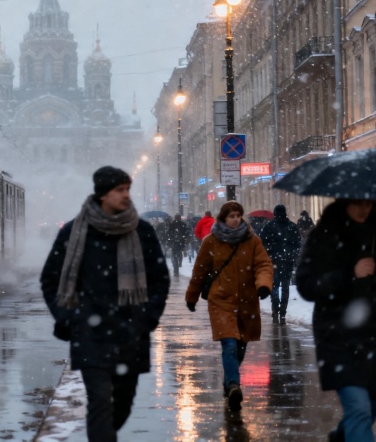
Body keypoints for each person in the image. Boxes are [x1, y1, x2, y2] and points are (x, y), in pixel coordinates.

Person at [41, 166, 170, 440]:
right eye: (119, 190)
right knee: (99, 401)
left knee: (121, 405)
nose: (126, 195)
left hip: (131, 333)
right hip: (89, 332)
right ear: (102, 195)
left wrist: (149, 316)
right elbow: (50, 279)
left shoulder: (142, 231)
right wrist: (66, 317)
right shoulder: (74, 233)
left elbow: (160, 278)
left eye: (127, 189)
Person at [295, 199, 376, 442]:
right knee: (359, 408)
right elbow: (306, 286)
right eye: (356, 203)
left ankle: (342, 436)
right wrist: (348, 274)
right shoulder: (323, 237)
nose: (363, 209)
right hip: (338, 336)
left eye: (367, 203)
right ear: (344, 202)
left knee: (371, 406)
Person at [185, 201, 273, 412]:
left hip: (246, 300)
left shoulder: (252, 241)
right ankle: (234, 385)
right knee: (229, 344)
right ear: (223, 218)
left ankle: (229, 378)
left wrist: (263, 285)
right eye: (231, 216)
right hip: (221, 299)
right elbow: (200, 270)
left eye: (237, 215)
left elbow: (263, 265)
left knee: (241, 346)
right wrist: (192, 296)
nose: (235, 219)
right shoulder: (211, 241)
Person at [258, 204, 303, 323]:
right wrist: (292, 255)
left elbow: (261, 242)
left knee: (275, 286)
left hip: (274, 261)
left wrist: (270, 253)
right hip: (287, 261)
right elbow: (298, 244)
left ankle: (275, 311)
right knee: (285, 287)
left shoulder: (268, 226)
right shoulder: (292, 226)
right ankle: (283, 312)